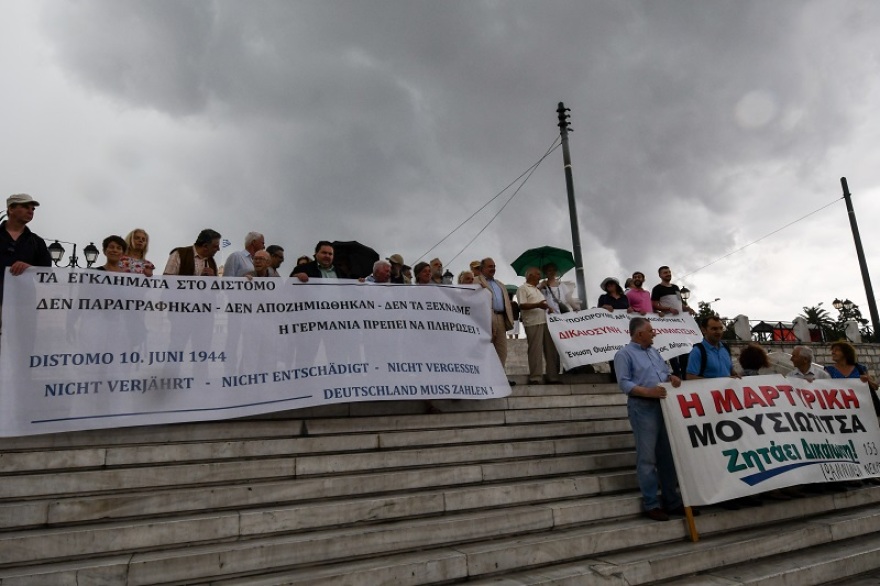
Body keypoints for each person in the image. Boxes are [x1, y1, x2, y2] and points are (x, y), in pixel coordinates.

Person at [614, 317, 686, 521]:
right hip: (642, 408)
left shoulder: (654, 352)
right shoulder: (624, 354)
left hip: (663, 406)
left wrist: (671, 377)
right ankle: (651, 503)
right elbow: (624, 384)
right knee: (647, 458)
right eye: (650, 330)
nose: (654, 333)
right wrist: (648, 392)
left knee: (667, 456)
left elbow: (663, 373)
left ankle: (672, 501)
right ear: (639, 334)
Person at [1, 194, 52, 336]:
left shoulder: (37, 242)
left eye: (33, 209)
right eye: (25, 206)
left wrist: (30, 268)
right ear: (11, 209)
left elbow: (47, 275)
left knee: (22, 348)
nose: (30, 211)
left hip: (23, 307)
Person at [517, 267, 561, 385]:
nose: (540, 276)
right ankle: (535, 378)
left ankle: (553, 377)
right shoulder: (523, 288)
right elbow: (522, 305)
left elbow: (542, 305)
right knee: (535, 351)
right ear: (530, 275)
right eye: (537, 274)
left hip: (545, 322)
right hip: (533, 323)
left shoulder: (537, 290)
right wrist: (538, 305)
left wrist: (548, 308)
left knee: (551, 350)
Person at [476, 258, 514, 382]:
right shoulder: (476, 281)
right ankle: (485, 378)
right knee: (486, 350)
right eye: (489, 266)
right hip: (485, 319)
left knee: (501, 350)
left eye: (494, 266)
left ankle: (500, 378)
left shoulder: (499, 284)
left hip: (501, 318)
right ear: (482, 269)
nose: (493, 269)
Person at [653, 266, 694, 377]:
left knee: (684, 347)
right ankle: (677, 372)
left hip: (680, 323)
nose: (668, 274)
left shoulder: (676, 287)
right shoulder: (657, 289)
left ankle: (684, 372)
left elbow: (679, 304)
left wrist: (688, 309)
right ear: (660, 275)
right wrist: (668, 309)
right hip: (667, 323)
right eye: (665, 272)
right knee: (673, 348)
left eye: (669, 272)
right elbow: (654, 304)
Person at [825, 340, 880, 416]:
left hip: (862, 409)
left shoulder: (860, 368)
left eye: (837, 350)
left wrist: (867, 381)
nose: (833, 352)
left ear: (846, 353)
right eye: (832, 350)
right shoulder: (828, 370)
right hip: (840, 410)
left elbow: (875, 387)